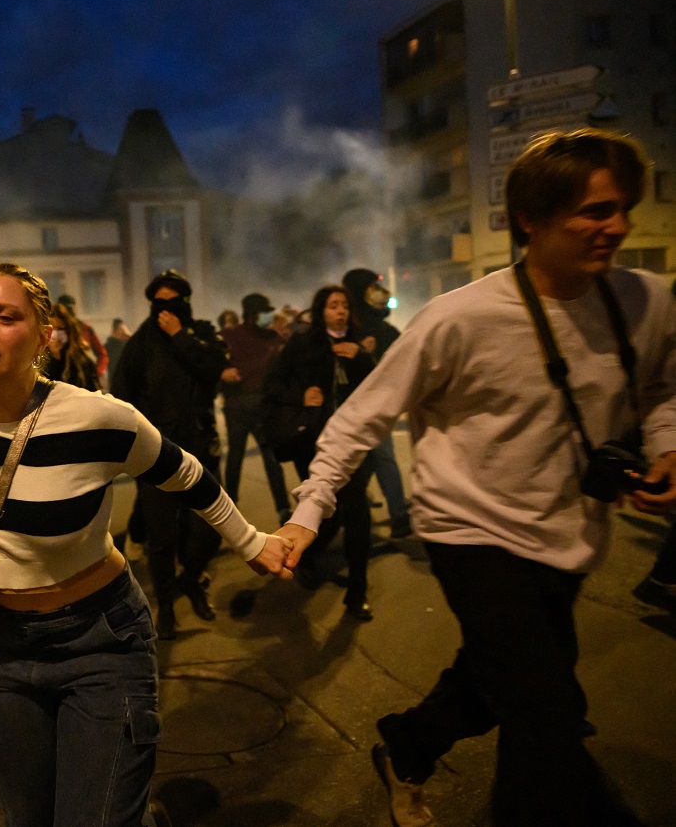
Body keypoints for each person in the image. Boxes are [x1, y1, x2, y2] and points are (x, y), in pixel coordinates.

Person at [277, 128, 676, 827]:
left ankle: (407, 744)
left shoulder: (647, 302)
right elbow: (357, 420)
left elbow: (665, 387)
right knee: (549, 722)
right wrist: (308, 513)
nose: (617, 226)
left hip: (572, 536)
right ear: (532, 217)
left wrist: (668, 446)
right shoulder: (458, 320)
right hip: (472, 534)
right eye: (594, 211)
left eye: (621, 209)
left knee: (500, 683)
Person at [0, 263, 293, 827]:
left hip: (100, 642)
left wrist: (251, 542)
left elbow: (186, 473)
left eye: (4, 316)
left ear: (44, 336)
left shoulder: (97, 418)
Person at [109, 269, 230, 639]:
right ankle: (166, 609)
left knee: (210, 530)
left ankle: (190, 579)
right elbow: (121, 396)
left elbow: (215, 368)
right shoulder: (140, 344)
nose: (165, 310)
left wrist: (180, 337)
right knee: (162, 539)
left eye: (173, 302)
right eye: (158, 303)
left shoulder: (202, 334)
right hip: (157, 456)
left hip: (202, 449)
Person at [263, 285, 376, 620]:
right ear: (320, 311)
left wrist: (361, 359)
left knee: (358, 513)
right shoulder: (304, 342)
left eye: (344, 305)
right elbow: (272, 384)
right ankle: (307, 556)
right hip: (313, 442)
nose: (340, 311)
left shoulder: (359, 344)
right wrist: (302, 398)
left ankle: (357, 593)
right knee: (330, 511)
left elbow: (376, 388)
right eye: (332, 306)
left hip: (354, 443)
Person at [342, 267, 412, 538]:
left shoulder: (379, 325)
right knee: (378, 459)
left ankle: (363, 512)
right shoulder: (348, 326)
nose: (378, 291)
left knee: (374, 461)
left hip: (378, 402)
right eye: (372, 286)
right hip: (354, 404)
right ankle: (396, 516)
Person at [219, 293, 290, 520]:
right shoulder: (229, 336)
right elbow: (212, 360)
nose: (267, 316)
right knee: (235, 459)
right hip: (237, 405)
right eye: (263, 312)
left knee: (272, 458)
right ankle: (229, 510)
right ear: (251, 315)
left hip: (263, 405)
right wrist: (221, 373)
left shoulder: (273, 337)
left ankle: (283, 508)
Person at [43, 301, 100, 390]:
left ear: (69, 331)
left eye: (60, 329)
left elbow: (94, 392)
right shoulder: (38, 362)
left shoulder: (82, 361)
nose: (56, 334)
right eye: (52, 329)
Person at [55, 293, 108, 382]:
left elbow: (102, 354)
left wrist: (96, 373)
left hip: (83, 380)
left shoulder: (85, 328)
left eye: (70, 310)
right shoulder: (54, 330)